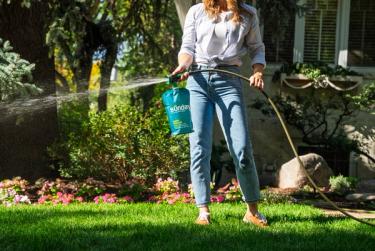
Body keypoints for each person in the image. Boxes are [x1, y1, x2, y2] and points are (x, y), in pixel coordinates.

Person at [172, 0, 267, 227]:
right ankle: (203, 210)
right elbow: (187, 47)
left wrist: (258, 71)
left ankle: (252, 210)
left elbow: (256, 48)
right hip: (197, 81)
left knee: (242, 147)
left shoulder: (247, 14)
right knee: (199, 147)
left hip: (229, 81)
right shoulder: (197, 11)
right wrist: (184, 66)